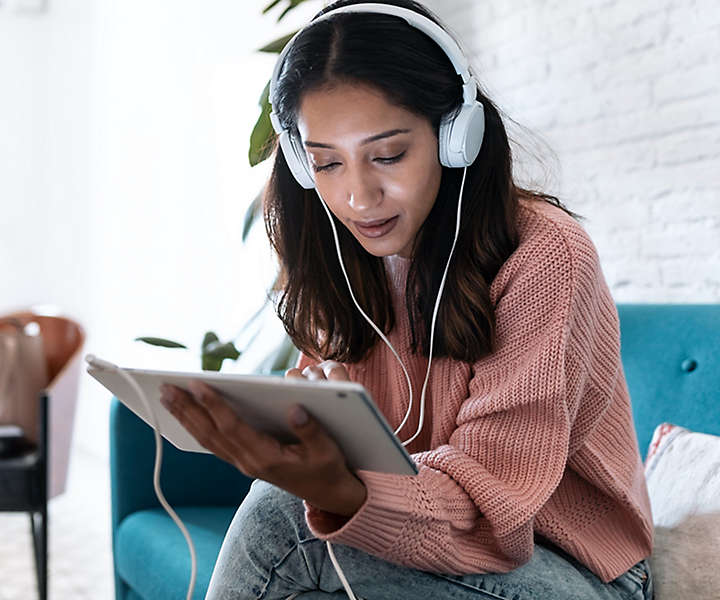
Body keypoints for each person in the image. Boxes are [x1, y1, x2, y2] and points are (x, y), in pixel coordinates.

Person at [160, 1, 655, 598]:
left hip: (577, 569)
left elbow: (493, 513)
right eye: (325, 163)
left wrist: (340, 490)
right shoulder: (338, 254)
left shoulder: (545, 257)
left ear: (457, 137)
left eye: (389, 155)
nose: (358, 196)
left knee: (281, 520)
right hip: (415, 545)